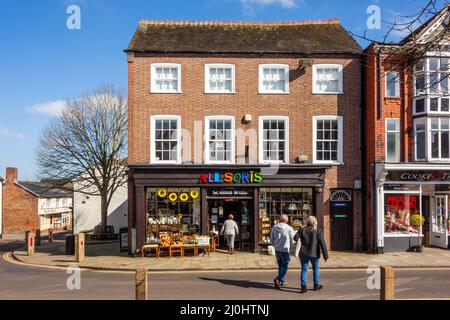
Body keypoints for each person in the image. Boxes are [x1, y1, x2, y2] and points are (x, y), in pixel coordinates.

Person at [294, 216, 329, 294]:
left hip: (303, 253)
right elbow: (322, 244)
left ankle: (303, 288)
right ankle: (316, 285)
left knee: (304, 270)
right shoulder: (318, 230)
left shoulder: (302, 229)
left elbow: (295, 238)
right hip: (314, 254)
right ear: (315, 221)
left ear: (307, 221)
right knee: (315, 269)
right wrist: (325, 256)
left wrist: (300, 234)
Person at [270, 214, 295, 290]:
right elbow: (292, 240)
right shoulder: (289, 228)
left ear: (280, 220)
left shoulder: (274, 227)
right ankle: (278, 278)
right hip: (285, 250)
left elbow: (271, 238)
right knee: (285, 266)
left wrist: (274, 244)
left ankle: (282, 281)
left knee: (280, 265)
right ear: (286, 220)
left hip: (277, 250)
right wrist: (291, 248)